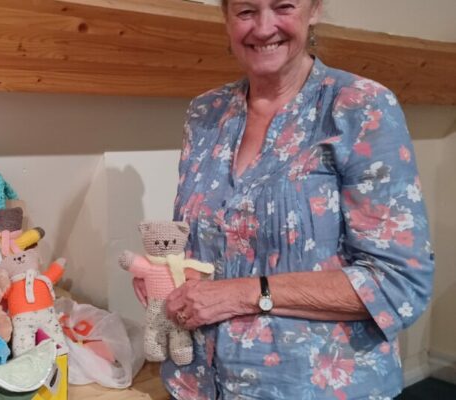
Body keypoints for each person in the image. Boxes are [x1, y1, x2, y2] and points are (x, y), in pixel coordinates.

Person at [156, 0, 435, 398]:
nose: (263, 27)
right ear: (226, 18)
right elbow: (209, 241)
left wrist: (240, 293)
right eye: (246, 11)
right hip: (197, 383)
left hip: (310, 386)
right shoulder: (206, 112)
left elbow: (397, 280)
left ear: (314, 9)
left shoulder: (359, 106)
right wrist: (168, 278)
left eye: (283, 6)